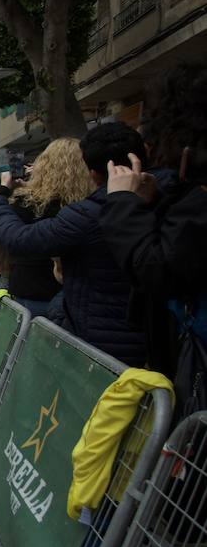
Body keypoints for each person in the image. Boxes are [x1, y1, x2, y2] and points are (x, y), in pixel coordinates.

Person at [0, 123, 148, 367]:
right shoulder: (152, 203)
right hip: (123, 336)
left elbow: (17, 239)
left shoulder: (83, 214)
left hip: (86, 331)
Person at [99, 63, 207, 392]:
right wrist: (153, 200)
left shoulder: (200, 202)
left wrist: (120, 202)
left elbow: (157, 268)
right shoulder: (187, 196)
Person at [0, 139, 89, 317]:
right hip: (68, 291)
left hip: (27, 287)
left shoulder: (26, 202)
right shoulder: (85, 206)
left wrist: (5, 190)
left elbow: (3, 230)